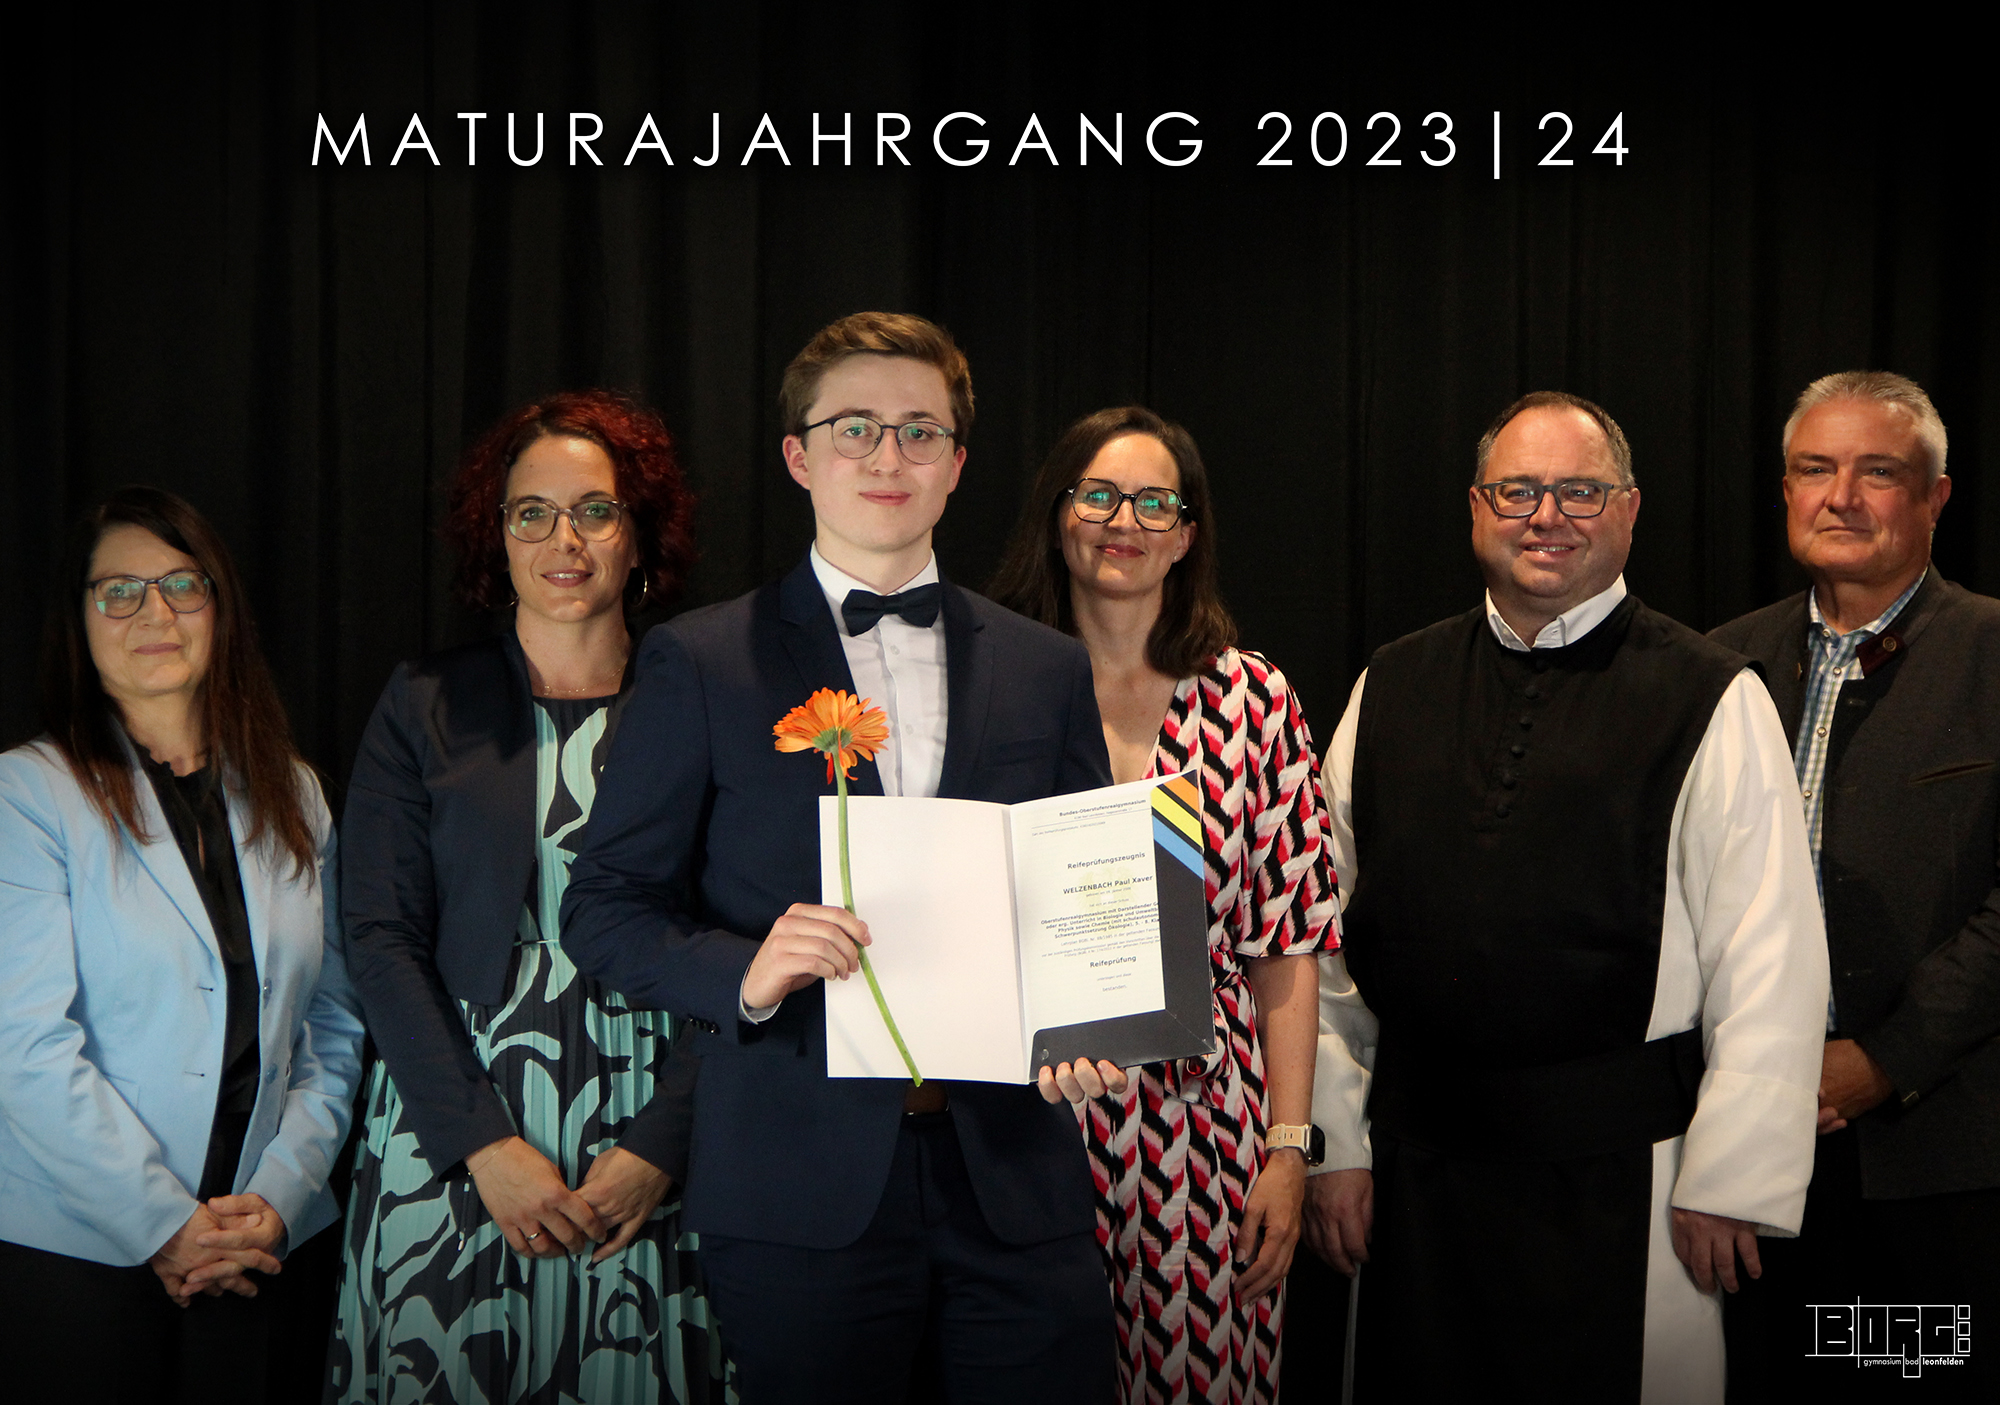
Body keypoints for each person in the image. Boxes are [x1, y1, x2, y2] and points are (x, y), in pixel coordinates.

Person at [560, 311, 1121, 1404]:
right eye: (854, 427)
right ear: (798, 456)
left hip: (1013, 1182)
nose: (886, 456)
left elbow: (1081, 892)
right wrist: (746, 971)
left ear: (956, 464)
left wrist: (1093, 1018)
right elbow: (603, 907)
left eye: (919, 431)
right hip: (795, 1187)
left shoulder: (1046, 667)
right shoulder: (701, 661)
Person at [1312, 391, 1830, 1402]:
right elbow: (1326, 945)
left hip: (1626, 1179)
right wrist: (1332, 1145)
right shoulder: (1390, 684)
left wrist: (1732, 1177)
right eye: (1516, 490)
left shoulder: (1712, 695)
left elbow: (1768, 955)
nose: (1545, 515)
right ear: (1476, 508)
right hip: (1415, 1177)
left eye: (1579, 492)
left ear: (1628, 511)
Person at [325, 391, 733, 1404]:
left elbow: (747, 941)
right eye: (532, 513)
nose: (565, 540)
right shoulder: (423, 700)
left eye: (595, 511)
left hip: (655, 1122)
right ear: (496, 535)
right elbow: (377, 934)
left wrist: (662, 1145)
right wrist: (481, 1144)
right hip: (454, 1116)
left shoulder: (710, 702)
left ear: (639, 535)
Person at [986, 406, 1339, 1402]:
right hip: (1025, 1127)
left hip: (1206, 1131)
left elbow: (1288, 944)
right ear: (1057, 514)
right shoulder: (991, 688)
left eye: (1154, 503)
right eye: (1098, 495)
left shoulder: (1252, 700)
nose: (1123, 522)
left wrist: (1286, 1150)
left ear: (1186, 535)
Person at [0, 486, 366, 1404]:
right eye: (119, 590)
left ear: (220, 606)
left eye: (181, 584)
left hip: (259, 1244)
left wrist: (280, 1195)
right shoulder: (27, 795)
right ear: (78, 619)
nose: (154, 613)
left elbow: (334, 1020)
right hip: (82, 1250)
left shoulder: (295, 792)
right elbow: (23, 1045)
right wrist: (166, 1223)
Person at [1712, 371, 2000, 1401]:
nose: (1840, 497)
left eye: (1876, 472)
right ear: (1785, 490)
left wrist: (1883, 1059)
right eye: (1813, 469)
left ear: (1935, 497)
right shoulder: (1717, 665)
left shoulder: (1991, 653)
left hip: (1938, 1158)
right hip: (1748, 1153)